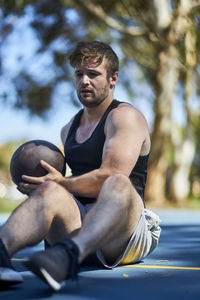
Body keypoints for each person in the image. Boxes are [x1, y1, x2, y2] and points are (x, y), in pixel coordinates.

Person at [0, 41, 161, 291]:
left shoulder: (125, 117)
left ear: (113, 78)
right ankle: (2, 251)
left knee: (117, 182)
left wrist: (60, 182)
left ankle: (69, 254)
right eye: (79, 74)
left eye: (93, 74)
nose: (84, 81)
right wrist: (40, 186)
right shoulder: (68, 129)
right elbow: (59, 188)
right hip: (78, 223)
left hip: (124, 233)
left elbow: (111, 175)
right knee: (49, 191)